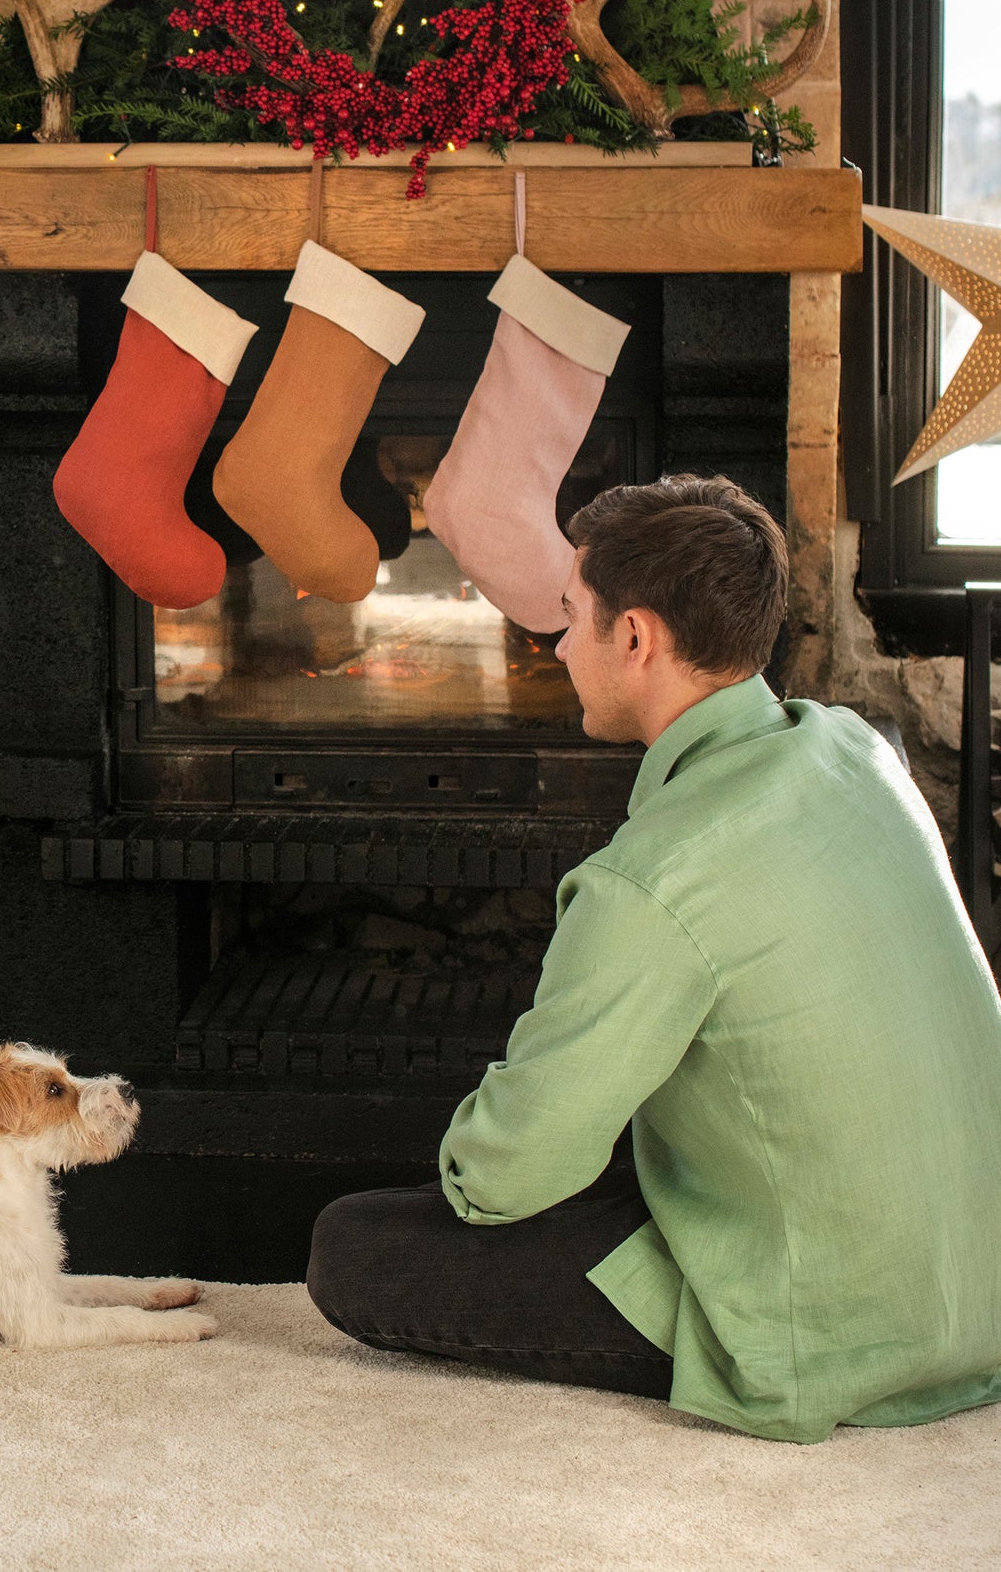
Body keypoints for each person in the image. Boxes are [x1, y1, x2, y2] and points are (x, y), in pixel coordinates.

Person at [306, 474, 1001, 1444]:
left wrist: (476, 1162)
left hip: (834, 1324)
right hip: (979, 1287)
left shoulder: (648, 881)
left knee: (352, 1247)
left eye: (567, 619)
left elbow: (502, 1181)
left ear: (633, 638)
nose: (553, 648)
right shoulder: (854, 749)